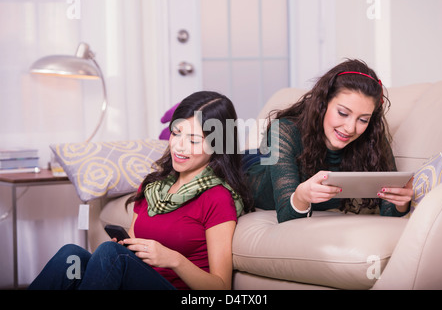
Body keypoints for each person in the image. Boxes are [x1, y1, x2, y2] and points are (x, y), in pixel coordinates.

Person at [29, 91, 253, 290]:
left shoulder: (217, 197)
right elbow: (134, 245)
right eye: (176, 134)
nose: (179, 146)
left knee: (110, 254)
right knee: (72, 255)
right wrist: (124, 248)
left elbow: (220, 286)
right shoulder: (153, 186)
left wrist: (174, 260)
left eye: (193, 140)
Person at [244, 59, 413, 223]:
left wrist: (401, 203)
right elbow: (287, 217)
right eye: (343, 113)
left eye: (363, 119)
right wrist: (301, 196)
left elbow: (389, 213)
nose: (350, 128)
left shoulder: (371, 138)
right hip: (249, 167)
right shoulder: (284, 131)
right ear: (323, 103)